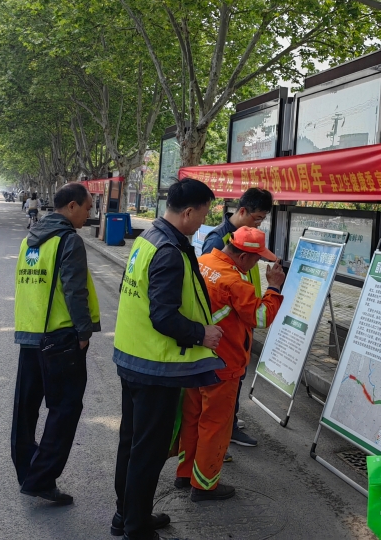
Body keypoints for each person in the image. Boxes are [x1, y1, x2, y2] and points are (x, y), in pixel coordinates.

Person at [111, 178, 225, 540]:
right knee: (148, 450)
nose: (204, 222)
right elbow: (163, 316)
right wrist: (201, 333)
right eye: (203, 214)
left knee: (132, 443)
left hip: (132, 358)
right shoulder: (169, 252)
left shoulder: (148, 238)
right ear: (188, 212)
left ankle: (126, 515)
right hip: (155, 367)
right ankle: (136, 528)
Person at [175, 227, 285, 501]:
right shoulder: (234, 282)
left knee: (192, 417)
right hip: (223, 364)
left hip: (195, 357)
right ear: (244, 256)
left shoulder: (203, 262)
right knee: (215, 424)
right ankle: (204, 485)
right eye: (257, 259)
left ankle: (185, 474)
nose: (257, 265)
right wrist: (274, 287)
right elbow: (261, 317)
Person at [11, 182, 100, 505]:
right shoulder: (69, 240)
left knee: (26, 408)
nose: (89, 215)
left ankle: (27, 470)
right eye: (87, 208)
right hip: (60, 337)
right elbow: (75, 291)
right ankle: (41, 478)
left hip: (29, 334)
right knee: (65, 409)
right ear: (72, 206)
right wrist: (84, 333)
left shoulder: (30, 240)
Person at [200, 187, 273, 449]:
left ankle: (226, 426)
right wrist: (274, 290)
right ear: (242, 211)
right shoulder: (218, 241)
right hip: (222, 342)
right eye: (257, 218)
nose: (258, 224)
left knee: (219, 404)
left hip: (234, 331)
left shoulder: (241, 242)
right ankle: (221, 439)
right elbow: (215, 293)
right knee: (213, 413)